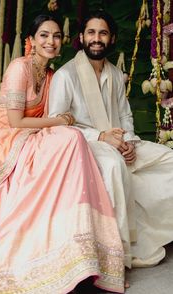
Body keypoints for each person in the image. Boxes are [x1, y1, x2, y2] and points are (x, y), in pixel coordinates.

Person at [0, 15, 125, 293]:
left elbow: (55, 118)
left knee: (71, 141)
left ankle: (73, 250)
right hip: (5, 138)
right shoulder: (19, 67)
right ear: (31, 41)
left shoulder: (51, 75)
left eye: (57, 36)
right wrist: (60, 122)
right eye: (44, 36)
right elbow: (15, 121)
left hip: (33, 136)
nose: (51, 41)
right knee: (69, 136)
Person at [49, 9, 173, 269]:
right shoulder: (65, 76)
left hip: (120, 143)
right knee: (115, 167)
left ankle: (150, 236)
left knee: (169, 159)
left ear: (112, 39)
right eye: (91, 32)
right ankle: (117, 256)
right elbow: (57, 126)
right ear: (81, 37)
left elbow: (126, 118)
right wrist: (101, 136)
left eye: (103, 33)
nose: (97, 38)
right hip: (86, 146)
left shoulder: (116, 74)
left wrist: (128, 142)